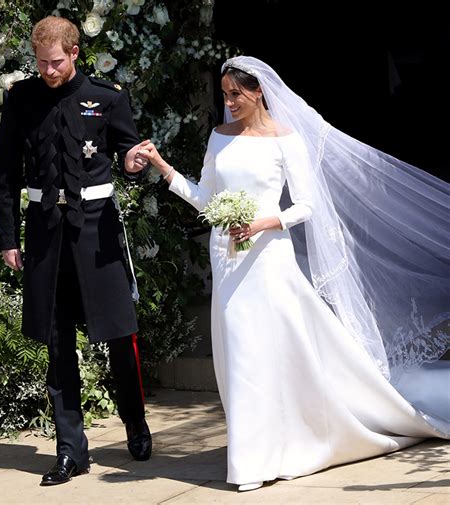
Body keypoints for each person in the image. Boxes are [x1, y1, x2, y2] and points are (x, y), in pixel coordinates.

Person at [129, 56, 450, 492]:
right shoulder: (218, 138)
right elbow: (207, 200)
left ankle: (283, 447)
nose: (229, 102)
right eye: (224, 94)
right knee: (237, 354)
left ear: (258, 91)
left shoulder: (285, 139)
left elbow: (307, 205)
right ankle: (250, 457)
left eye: (236, 94)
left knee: (270, 352)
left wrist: (265, 222)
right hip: (227, 257)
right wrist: (164, 168)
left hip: (268, 257)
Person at [0, 16, 153, 486]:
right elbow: (4, 173)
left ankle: (135, 424)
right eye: (41, 63)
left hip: (97, 234)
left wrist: (132, 161)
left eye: (56, 62)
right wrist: (8, 240)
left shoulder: (106, 97)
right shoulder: (21, 98)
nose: (48, 70)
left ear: (76, 53)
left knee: (121, 334)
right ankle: (70, 450)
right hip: (46, 235)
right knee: (58, 342)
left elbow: (127, 155)